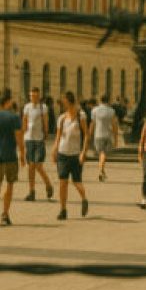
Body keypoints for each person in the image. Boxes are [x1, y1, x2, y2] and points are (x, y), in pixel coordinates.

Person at [51, 91, 90, 221]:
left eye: (65, 102)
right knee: (63, 183)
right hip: (62, 154)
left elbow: (86, 135)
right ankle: (63, 210)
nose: (63, 105)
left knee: (76, 182)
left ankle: (84, 199)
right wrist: (54, 150)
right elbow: (58, 137)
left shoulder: (81, 116)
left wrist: (83, 152)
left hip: (75, 155)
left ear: (70, 102)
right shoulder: (62, 118)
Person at [22, 87, 53, 201]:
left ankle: (48, 184)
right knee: (30, 166)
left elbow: (45, 121)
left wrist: (46, 133)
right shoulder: (27, 107)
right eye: (31, 96)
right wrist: (23, 135)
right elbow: (24, 121)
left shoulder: (43, 107)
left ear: (39, 96)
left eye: (35, 96)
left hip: (39, 139)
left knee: (38, 166)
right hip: (29, 139)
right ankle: (32, 191)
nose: (33, 98)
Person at [0, 89, 25, 225]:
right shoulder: (14, 117)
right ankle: (5, 214)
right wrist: (22, 154)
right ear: (8, 102)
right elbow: (19, 138)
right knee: (9, 185)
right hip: (10, 155)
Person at [89, 94, 119, 182]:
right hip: (107, 135)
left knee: (101, 154)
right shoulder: (111, 111)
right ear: (108, 100)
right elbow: (114, 125)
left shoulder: (94, 110)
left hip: (98, 135)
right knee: (103, 154)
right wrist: (116, 138)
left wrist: (89, 135)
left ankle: (102, 171)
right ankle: (101, 171)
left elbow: (92, 124)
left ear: (100, 100)